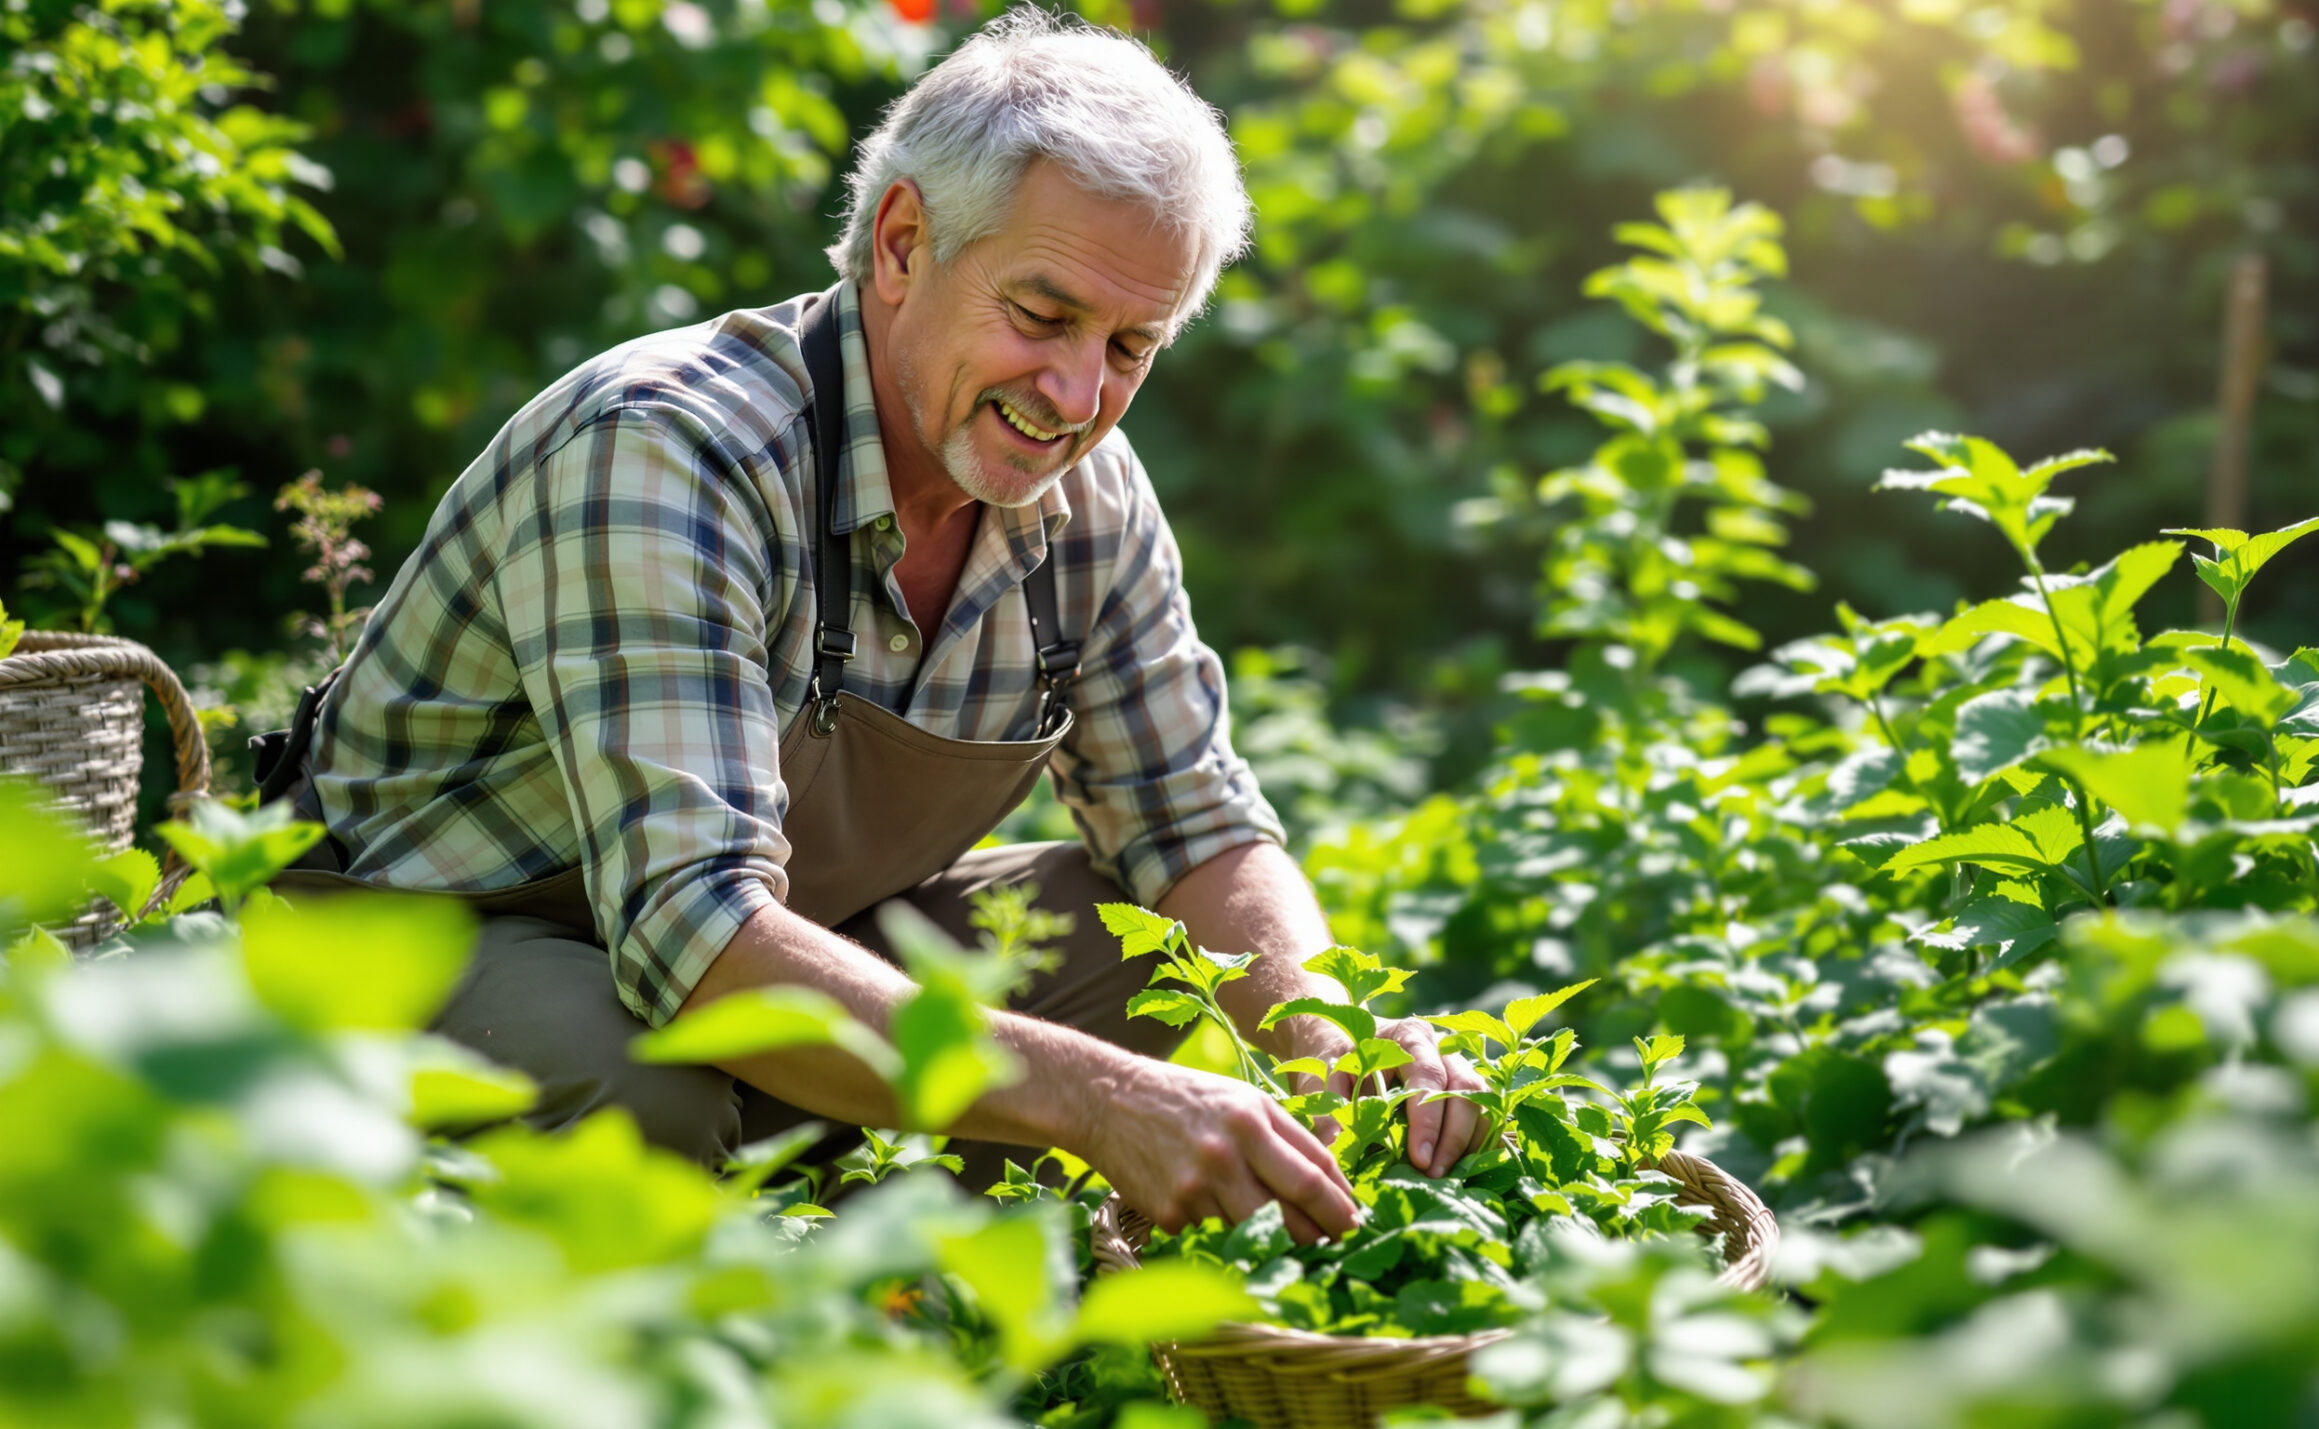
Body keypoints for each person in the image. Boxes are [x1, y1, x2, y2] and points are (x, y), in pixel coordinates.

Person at [265, 11, 1482, 1243]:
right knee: (635, 1090)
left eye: (1130, 344)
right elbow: (696, 932)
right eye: (1044, 313)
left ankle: (931, 1292)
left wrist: (1335, 1058)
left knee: (1185, 978)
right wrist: (1100, 1099)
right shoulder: (671, 451)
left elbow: (1196, 823)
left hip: (787, 937)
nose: (1077, 397)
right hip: (444, 939)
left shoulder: (1086, 499)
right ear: (902, 243)